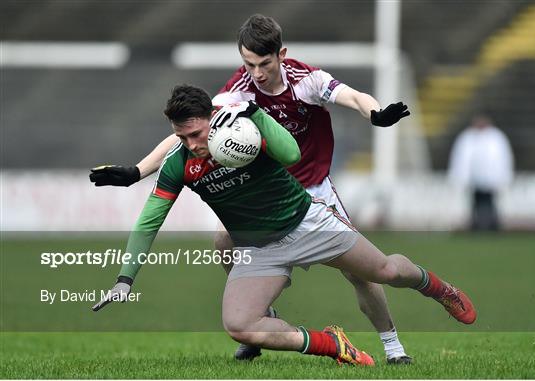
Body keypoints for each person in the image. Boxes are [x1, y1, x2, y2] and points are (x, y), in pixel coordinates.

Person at [90, 14, 413, 364]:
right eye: (248, 63)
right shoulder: (237, 91)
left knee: (360, 273)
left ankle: (394, 349)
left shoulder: (307, 80)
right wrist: (138, 170)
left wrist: (375, 113)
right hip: (265, 191)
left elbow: (352, 96)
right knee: (223, 242)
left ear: (281, 54)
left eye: (263, 63)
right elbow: (188, 132)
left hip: (312, 189)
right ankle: (263, 321)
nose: (256, 73)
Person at [92, 85, 476, 367]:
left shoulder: (243, 131)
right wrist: (125, 279)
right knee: (239, 326)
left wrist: (254, 114)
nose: (192, 144)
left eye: (196, 133)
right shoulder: (179, 164)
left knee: (386, 271)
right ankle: (332, 344)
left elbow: (291, 153)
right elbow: (149, 221)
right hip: (261, 249)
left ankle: (439, 288)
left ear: (212, 117)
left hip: (308, 223)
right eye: (182, 137)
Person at [448, 114, 514, 231]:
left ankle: (492, 225)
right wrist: (460, 177)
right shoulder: (467, 137)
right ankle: (476, 224)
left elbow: (503, 158)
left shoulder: (496, 137)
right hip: (474, 179)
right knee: (475, 202)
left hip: (491, 179)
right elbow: (461, 159)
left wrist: (503, 177)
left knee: (490, 202)